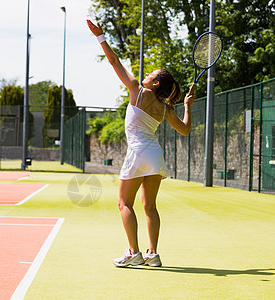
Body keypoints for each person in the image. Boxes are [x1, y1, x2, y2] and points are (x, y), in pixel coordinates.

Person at [87, 20, 195, 267]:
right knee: (150, 207)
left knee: (124, 203)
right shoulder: (166, 108)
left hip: (138, 153)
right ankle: (153, 254)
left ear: (155, 83)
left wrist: (101, 36)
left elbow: (115, 62)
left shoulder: (136, 90)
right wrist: (187, 107)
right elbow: (186, 130)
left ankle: (133, 252)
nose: (146, 75)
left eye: (151, 74)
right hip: (155, 156)